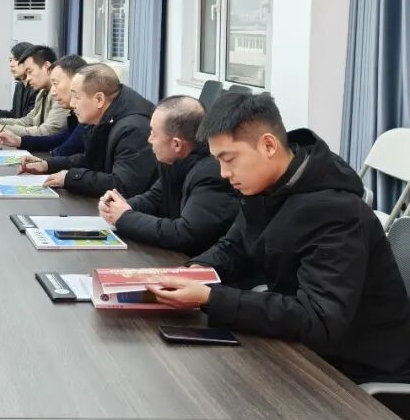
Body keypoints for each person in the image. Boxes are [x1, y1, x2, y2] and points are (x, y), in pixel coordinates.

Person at [148, 92, 410, 386]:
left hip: (353, 372)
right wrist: (196, 270)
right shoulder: (265, 185)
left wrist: (211, 297)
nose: (223, 173)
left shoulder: (337, 213)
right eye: (218, 160)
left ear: (268, 145)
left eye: (229, 159)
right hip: (301, 347)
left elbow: (319, 319)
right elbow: (234, 247)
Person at [98, 95, 237, 255]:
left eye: (153, 133)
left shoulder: (211, 173)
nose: (149, 139)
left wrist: (125, 217)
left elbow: (186, 234)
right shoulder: (175, 160)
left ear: (176, 144)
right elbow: (155, 199)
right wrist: (120, 206)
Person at [20, 63, 156, 197]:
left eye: (76, 97)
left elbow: (123, 185)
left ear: (99, 99)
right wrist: (48, 165)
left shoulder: (134, 128)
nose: (72, 104)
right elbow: (92, 159)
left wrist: (70, 177)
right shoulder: (105, 116)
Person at [0, 54, 87, 156]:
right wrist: (19, 141)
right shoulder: (41, 93)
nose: (53, 92)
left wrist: (1, 127)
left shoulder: (87, 118)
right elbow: (60, 139)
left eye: (55, 83)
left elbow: (61, 146)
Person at [0, 46, 68, 138]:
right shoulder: (42, 93)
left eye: (30, 71)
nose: (28, 78)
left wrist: (1, 128)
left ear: (46, 66)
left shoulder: (61, 94)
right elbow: (26, 121)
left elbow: (47, 131)